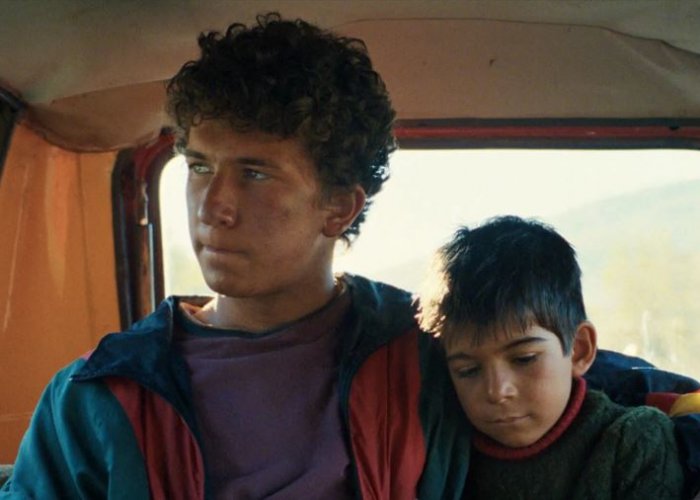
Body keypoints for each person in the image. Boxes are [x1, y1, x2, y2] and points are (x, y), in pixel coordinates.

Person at [1, 12, 698, 500]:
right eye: (200, 166)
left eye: (255, 173)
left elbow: (586, 378)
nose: (213, 205)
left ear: (338, 207)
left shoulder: (432, 346)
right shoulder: (97, 395)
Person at [418, 215, 686, 498]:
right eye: (468, 370)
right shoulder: (444, 460)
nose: (497, 391)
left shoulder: (634, 441)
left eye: (524, 358)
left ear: (579, 350)